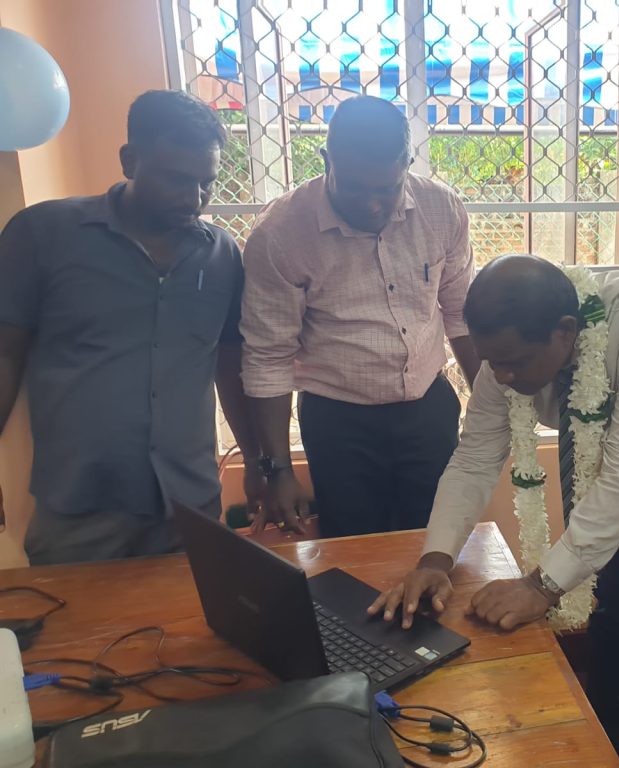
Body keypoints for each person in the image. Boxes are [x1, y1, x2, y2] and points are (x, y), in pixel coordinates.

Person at [369, 255, 619, 765]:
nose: (502, 376)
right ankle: (607, 756)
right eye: (492, 363)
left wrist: (540, 586)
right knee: (613, 625)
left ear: (565, 332)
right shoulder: (505, 353)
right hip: (613, 490)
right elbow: (475, 457)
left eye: (515, 363)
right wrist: (435, 560)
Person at [0, 90, 260, 564]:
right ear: (129, 160)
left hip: (189, 505)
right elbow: (6, 354)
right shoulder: (43, 234)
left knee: (197, 612)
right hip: (80, 506)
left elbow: (229, 363)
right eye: (176, 180)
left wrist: (258, 460)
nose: (194, 199)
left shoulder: (221, 255)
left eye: (207, 183)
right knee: (77, 614)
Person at [241, 96, 480, 538]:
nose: (372, 205)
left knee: (438, 537)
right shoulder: (280, 233)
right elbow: (268, 357)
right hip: (339, 422)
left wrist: (489, 411)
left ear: (407, 164)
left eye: (387, 189)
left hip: (428, 408)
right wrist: (277, 469)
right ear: (326, 160)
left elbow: (461, 314)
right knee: (354, 548)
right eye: (354, 188)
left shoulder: (441, 209)